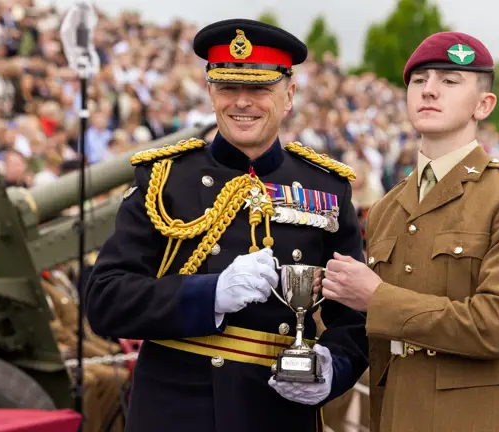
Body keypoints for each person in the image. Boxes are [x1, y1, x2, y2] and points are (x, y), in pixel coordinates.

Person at [84, 19, 369, 432]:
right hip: (176, 411)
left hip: (277, 413)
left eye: (258, 89)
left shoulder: (325, 187)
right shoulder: (165, 179)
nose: (242, 102)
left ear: (289, 95)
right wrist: (209, 293)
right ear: (210, 92)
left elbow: (354, 322)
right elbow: (105, 300)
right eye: (227, 87)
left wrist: (332, 369)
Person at [321, 31, 499, 431]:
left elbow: (498, 327)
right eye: (419, 81)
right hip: (394, 415)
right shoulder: (385, 209)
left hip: (479, 418)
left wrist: (377, 298)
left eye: (449, 81)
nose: (429, 90)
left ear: (483, 105)